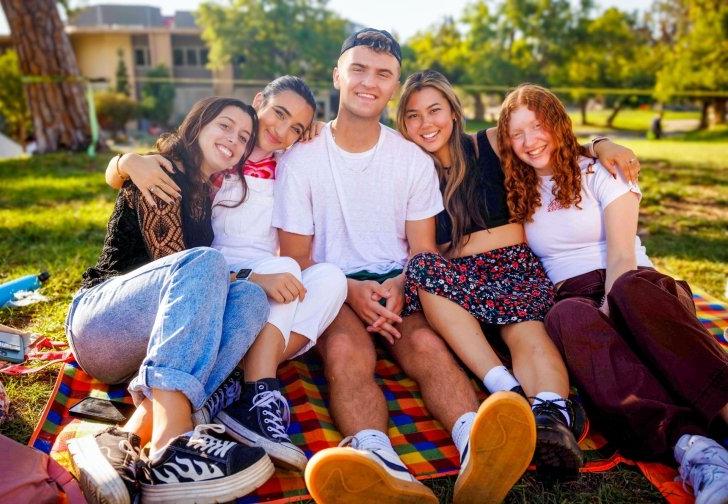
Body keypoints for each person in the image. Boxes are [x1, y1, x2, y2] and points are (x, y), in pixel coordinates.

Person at [273, 29, 539, 504]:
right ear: (338, 75)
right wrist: (351, 291)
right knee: (347, 355)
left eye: (383, 74)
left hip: (399, 285)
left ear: (394, 88)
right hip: (333, 286)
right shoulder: (302, 158)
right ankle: (381, 466)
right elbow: (296, 254)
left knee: (427, 347)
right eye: (358, 69)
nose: (368, 82)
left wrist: (399, 285)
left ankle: (477, 449)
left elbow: (422, 252)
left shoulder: (410, 159)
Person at [497, 83, 728, 504]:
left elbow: (622, 253)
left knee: (631, 291)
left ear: (557, 123)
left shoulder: (601, 169)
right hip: (573, 295)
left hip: (635, 283)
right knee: (565, 317)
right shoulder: (517, 188)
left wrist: (600, 144)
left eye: (537, 126)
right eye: (517, 133)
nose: (529, 141)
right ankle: (696, 451)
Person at [106, 76, 348, 472]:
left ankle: (238, 378)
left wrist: (318, 131)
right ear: (258, 102)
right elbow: (150, 179)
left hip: (259, 273)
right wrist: (125, 162)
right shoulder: (217, 157)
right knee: (284, 269)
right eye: (278, 114)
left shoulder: (290, 161)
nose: (282, 131)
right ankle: (254, 389)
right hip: (207, 273)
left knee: (329, 279)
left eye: (296, 128)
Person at [66, 97, 275, 504]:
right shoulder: (161, 171)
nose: (234, 139)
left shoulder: (203, 191)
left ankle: (128, 437)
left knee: (250, 298)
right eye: (225, 126)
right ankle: (173, 441)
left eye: (244, 137)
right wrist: (127, 160)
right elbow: (183, 274)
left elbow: (191, 306)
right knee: (211, 266)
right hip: (101, 328)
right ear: (197, 125)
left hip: (151, 349)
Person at [396, 69, 582, 477]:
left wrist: (604, 144)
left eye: (434, 110)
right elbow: (425, 249)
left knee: (524, 330)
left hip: (512, 265)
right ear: (402, 123)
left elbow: (552, 144)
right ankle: (509, 394)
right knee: (424, 268)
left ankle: (552, 419)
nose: (426, 124)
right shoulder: (409, 170)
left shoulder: (488, 144)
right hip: (452, 280)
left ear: (453, 112)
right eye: (413, 115)